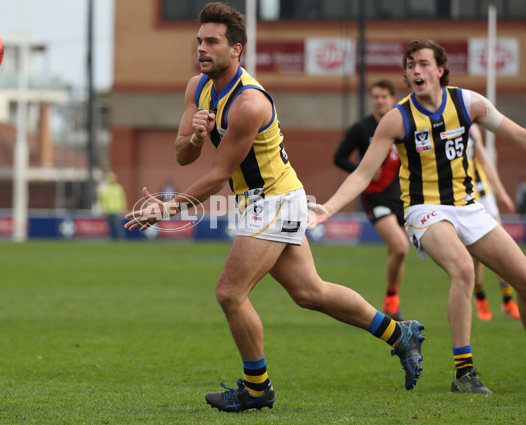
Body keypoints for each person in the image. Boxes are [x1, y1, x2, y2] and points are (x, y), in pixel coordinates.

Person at [125, 2, 424, 413]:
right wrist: (196, 137)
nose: (201, 48)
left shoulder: (249, 103)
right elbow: (181, 156)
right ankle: (398, 334)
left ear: (236, 50)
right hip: (264, 201)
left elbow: (218, 175)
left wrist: (168, 207)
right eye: (199, 41)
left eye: (212, 41)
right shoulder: (197, 87)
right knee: (310, 292)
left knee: (230, 293)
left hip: (276, 202)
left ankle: (256, 387)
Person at [309, 38, 526, 395]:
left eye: (423, 64)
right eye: (410, 65)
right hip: (425, 210)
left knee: (522, 278)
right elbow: (362, 173)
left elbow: (516, 132)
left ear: (440, 70)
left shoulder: (469, 102)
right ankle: (464, 373)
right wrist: (328, 209)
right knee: (464, 270)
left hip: (469, 206)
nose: (415, 71)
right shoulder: (398, 118)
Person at [334, 79, 408, 321]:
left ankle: (392, 298)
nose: (379, 101)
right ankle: (391, 298)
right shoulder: (362, 128)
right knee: (399, 246)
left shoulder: (404, 125)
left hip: (402, 196)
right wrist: (361, 168)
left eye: (384, 96)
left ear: (392, 98)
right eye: (375, 97)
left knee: (397, 252)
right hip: (375, 197)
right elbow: (339, 157)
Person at [467, 125, 521, 321]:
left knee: (502, 243)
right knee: (474, 254)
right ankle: (480, 298)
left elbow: (485, 161)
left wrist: (502, 193)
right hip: (462, 198)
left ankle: (507, 299)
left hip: (484, 194)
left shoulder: (471, 127)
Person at [96, 172, 127, 240]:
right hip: (107, 210)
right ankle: (111, 239)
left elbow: (122, 198)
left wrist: (123, 208)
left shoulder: (118, 188)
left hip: (116, 210)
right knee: (109, 226)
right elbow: (101, 199)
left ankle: (120, 238)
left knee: (118, 226)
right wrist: (102, 208)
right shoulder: (105, 189)